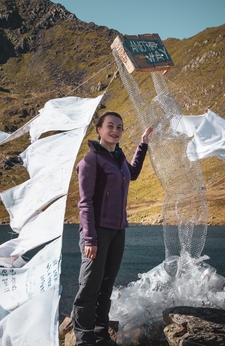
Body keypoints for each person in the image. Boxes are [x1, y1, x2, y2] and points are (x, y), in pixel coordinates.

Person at [72, 111, 153, 346]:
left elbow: (133, 173)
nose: (115, 130)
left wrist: (143, 144)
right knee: (89, 287)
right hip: (96, 231)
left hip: (118, 231)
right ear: (99, 129)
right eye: (110, 126)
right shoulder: (90, 161)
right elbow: (85, 202)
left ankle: (100, 334)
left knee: (106, 287)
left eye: (119, 127)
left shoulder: (118, 158)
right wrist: (89, 239)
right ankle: (84, 340)